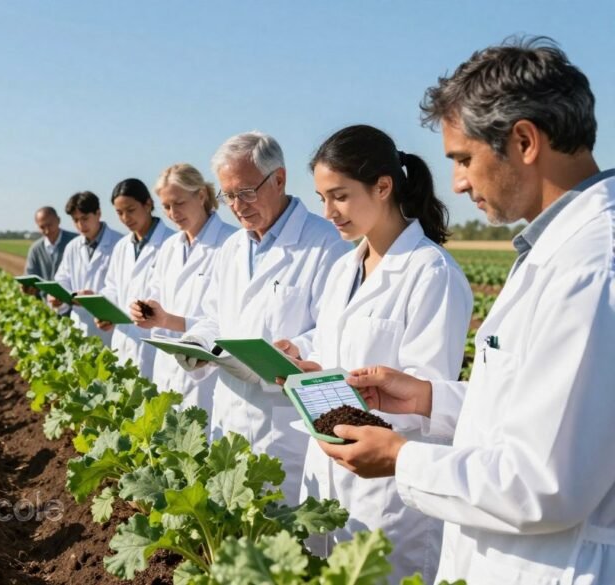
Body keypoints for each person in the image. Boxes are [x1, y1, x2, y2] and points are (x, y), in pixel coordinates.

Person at [317, 38, 615, 584]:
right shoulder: (555, 251)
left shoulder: (592, 269)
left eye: (464, 159)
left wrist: (403, 458)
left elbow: (542, 483)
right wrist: (429, 396)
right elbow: (530, 408)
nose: (456, 181)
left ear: (524, 140)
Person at [274, 125, 472, 582]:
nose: (328, 212)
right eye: (322, 198)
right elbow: (332, 350)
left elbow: (425, 396)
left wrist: (346, 390)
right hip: (329, 472)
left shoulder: (431, 273)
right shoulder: (345, 266)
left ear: (383, 187)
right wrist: (309, 369)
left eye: (339, 196)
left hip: (388, 494)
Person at [175, 131, 352, 505]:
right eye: (228, 196)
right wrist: (197, 342)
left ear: (280, 179)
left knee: (286, 537)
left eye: (246, 192)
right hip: (231, 412)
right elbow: (214, 316)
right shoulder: (232, 247)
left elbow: (336, 332)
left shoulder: (326, 244)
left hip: (285, 425)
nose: (237, 206)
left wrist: (297, 346)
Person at [129, 163, 237, 429]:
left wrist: (167, 321)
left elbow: (225, 320)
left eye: (178, 203)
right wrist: (145, 312)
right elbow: (156, 295)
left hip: (207, 375)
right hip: (168, 370)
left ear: (201, 195)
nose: (172, 214)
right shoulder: (169, 248)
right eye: (166, 206)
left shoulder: (230, 244)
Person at [97, 178, 175, 379]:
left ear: (148, 204)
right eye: (119, 213)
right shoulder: (122, 246)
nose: (125, 218)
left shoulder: (171, 244)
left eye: (130, 210)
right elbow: (112, 287)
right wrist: (105, 312)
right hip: (123, 340)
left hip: (154, 344)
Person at [52, 191, 123, 345]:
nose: (80, 225)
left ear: (98, 214)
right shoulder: (72, 247)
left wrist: (95, 298)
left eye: (85, 218)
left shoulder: (120, 244)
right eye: (75, 220)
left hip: (109, 329)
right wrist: (58, 297)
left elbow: (123, 289)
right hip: (79, 325)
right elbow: (62, 279)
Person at [23, 206, 77, 295]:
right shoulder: (35, 249)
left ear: (58, 220)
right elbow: (30, 275)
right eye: (42, 227)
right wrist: (28, 287)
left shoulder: (75, 242)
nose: (47, 231)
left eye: (49, 225)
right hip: (46, 303)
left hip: (73, 303)